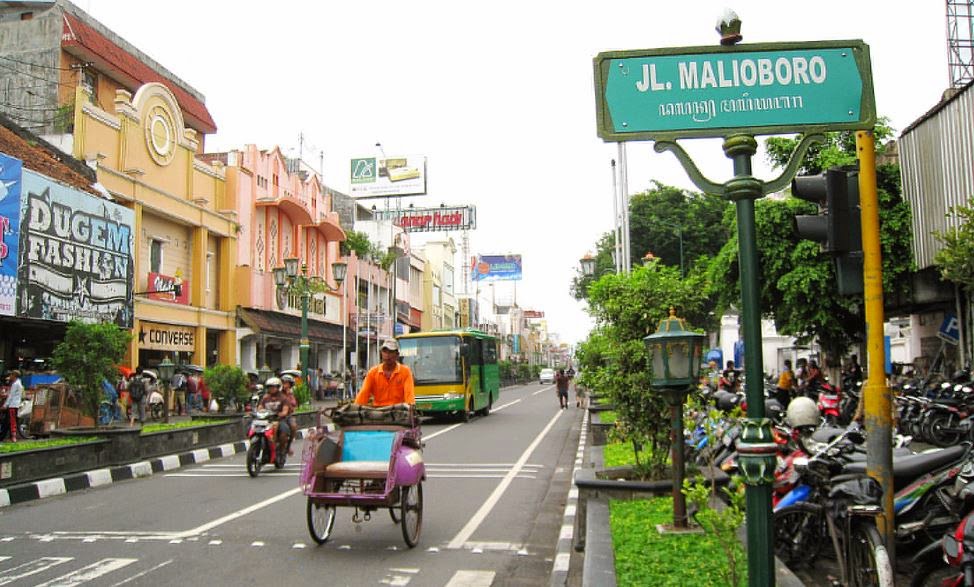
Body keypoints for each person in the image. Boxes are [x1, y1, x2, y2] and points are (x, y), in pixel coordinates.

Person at [354, 339, 415, 407]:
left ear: (397, 355)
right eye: (385, 351)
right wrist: (355, 409)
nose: (387, 355)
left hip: (398, 411)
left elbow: (409, 395)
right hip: (379, 412)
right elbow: (364, 393)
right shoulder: (373, 372)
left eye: (391, 352)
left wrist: (410, 407)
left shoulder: (405, 371)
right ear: (381, 353)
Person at [257, 377, 291, 455]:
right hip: (266, 420)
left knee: (283, 433)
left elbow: (285, 411)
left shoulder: (283, 398)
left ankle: (282, 450)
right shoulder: (265, 398)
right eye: (269, 387)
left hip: (278, 420)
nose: (271, 389)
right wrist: (258, 412)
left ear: (278, 387)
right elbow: (260, 407)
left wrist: (280, 414)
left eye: (273, 387)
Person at [280, 374, 299, 455]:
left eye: (287, 383)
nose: (285, 385)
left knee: (293, 426)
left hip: (287, 416)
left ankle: (288, 446)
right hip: (274, 415)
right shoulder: (276, 392)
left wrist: (288, 396)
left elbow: (293, 404)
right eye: (283, 383)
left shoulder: (290, 394)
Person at [2, 370, 23, 442]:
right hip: (15, 404)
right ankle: (5, 436)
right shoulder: (18, 383)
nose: (10, 377)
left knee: (12, 421)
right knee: (8, 421)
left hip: (12, 405)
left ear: (14, 375)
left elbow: (11, 396)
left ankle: (13, 437)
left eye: (11, 375)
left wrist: (5, 405)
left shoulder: (15, 384)